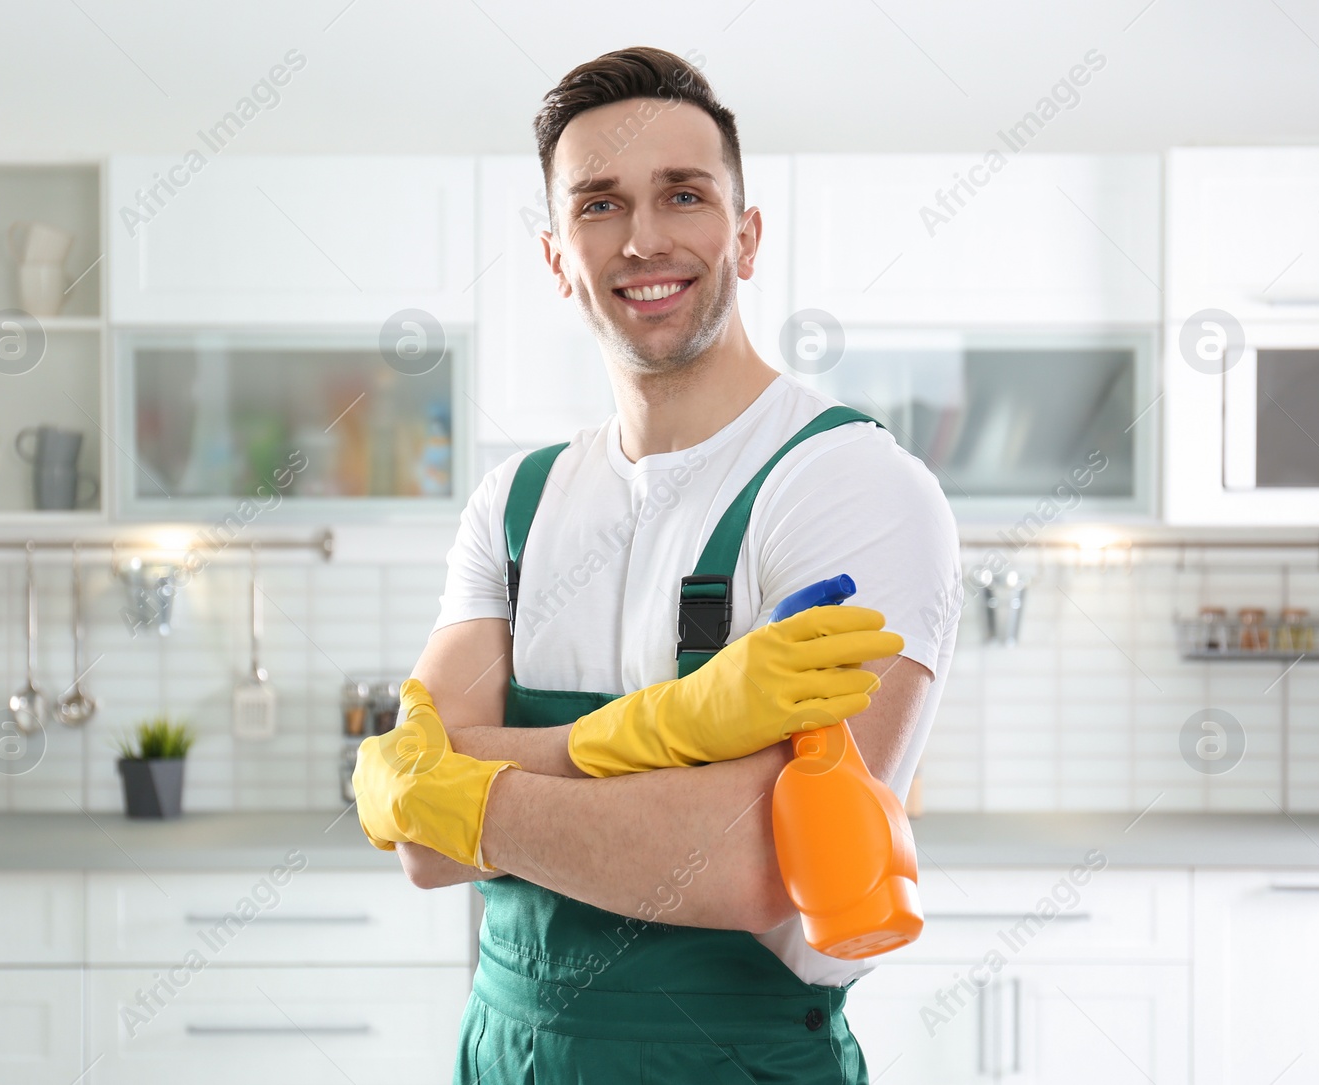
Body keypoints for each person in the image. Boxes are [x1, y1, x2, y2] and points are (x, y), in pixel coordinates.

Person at [354, 45, 961, 1084]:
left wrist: (460, 777)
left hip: (733, 1056)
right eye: (598, 205)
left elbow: (743, 861)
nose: (643, 238)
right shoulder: (514, 505)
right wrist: (680, 737)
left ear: (745, 233)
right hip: (507, 1050)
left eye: (682, 195)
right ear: (556, 257)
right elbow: (424, 850)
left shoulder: (852, 487)